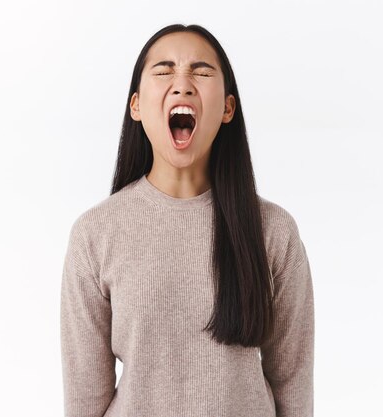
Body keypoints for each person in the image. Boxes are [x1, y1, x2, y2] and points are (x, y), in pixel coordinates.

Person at [59, 23, 314, 417]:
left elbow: (293, 387)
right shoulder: (95, 235)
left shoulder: (274, 232)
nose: (182, 84)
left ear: (228, 107)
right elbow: (84, 402)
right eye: (163, 71)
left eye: (201, 71)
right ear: (137, 106)